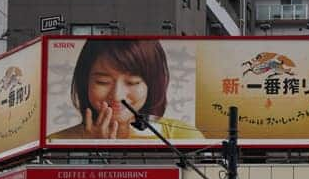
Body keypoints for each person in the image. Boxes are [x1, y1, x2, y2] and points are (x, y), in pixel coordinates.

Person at [49, 39, 203, 140]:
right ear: (85, 82)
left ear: (152, 84)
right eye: (103, 82)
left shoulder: (183, 136)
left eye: (132, 82)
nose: (117, 96)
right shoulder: (55, 142)